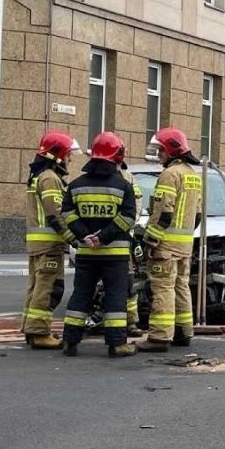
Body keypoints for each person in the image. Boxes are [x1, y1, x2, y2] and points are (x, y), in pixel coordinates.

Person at [60, 132, 137, 357]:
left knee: (81, 294)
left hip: (86, 252)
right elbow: (129, 217)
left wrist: (85, 236)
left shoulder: (76, 185)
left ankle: (70, 341)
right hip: (115, 253)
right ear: (117, 156)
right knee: (115, 296)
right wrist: (103, 237)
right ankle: (116, 344)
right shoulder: (123, 186)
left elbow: (67, 214)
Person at [137, 128, 202, 353]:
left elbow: (164, 212)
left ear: (171, 150)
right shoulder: (193, 175)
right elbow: (198, 215)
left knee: (162, 288)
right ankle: (184, 331)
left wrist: (150, 240)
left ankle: (159, 336)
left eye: (161, 150)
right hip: (184, 245)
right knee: (181, 286)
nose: (158, 155)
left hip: (165, 245)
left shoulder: (170, 175)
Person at [22, 131, 81, 350]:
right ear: (57, 155)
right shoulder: (50, 178)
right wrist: (73, 238)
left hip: (37, 245)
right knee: (48, 288)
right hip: (49, 245)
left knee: (36, 288)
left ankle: (31, 329)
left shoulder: (38, 175)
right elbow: (56, 214)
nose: (70, 159)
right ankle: (39, 333)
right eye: (67, 154)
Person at [119, 159, 144, 336]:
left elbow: (135, 207)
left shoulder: (128, 178)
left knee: (128, 284)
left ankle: (130, 321)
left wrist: (122, 227)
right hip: (97, 240)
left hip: (122, 239)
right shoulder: (90, 177)